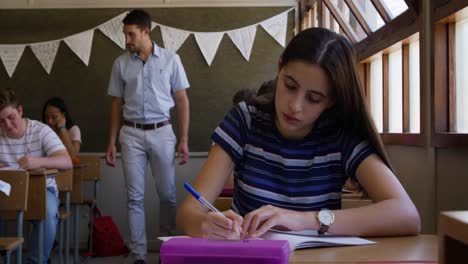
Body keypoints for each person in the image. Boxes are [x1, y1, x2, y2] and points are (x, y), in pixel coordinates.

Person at [176, 28, 420, 240]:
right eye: (289, 86)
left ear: (332, 100)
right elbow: (188, 213)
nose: (295, 106)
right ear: (279, 68)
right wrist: (205, 225)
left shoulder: (340, 135)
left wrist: (307, 220)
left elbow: (407, 215)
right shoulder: (245, 120)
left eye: (314, 98)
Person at [105, 9, 190, 264]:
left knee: (167, 195)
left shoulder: (171, 60)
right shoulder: (120, 64)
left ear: (146, 32)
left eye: (131, 34)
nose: (127, 39)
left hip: (162, 131)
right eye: (125, 34)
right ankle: (138, 256)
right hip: (130, 133)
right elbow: (115, 103)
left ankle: (166, 249)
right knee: (135, 197)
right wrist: (110, 141)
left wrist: (184, 139)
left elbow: (182, 99)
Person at [0, 88, 72, 263]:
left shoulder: (40, 130)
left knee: (47, 211)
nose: (8, 125)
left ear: (20, 111)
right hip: (6, 192)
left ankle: (36, 260)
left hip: (40, 190)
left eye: (11, 118)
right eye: (1, 121)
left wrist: (38, 162)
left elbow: (66, 162)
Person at [42, 97, 81, 163]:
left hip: (66, 169)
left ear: (63, 115)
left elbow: (72, 155)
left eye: (54, 117)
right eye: (46, 117)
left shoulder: (73, 129)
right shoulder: (42, 129)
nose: (49, 121)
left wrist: (62, 128)